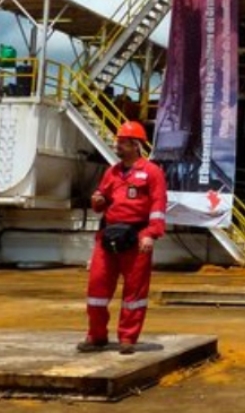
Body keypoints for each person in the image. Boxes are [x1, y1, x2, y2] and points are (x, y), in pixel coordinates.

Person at [79, 120, 167, 355]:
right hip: (108, 236)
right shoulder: (113, 172)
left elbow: (158, 206)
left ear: (136, 145)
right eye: (118, 141)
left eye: (123, 142)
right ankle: (96, 335)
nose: (117, 146)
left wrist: (151, 234)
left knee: (134, 291)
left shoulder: (152, 172)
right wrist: (97, 200)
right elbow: (101, 199)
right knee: (97, 286)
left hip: (137, 237)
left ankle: (127, 337)